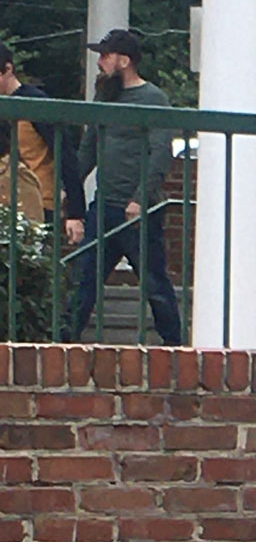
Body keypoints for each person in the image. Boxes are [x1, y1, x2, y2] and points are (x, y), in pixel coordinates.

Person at [66, 29, 182, 345]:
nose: (100, 62)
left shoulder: (153, 99)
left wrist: (140, 198)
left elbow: (160, 151)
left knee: (154, 284)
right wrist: (70, 190)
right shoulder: (104, 97)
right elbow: (89, 146)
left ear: (124, 61)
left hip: (137, 212)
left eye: (106, 56)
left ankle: (175, 347)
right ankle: (61, 343)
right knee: (84, 280)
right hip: (104, 206)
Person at [0, 43, 86, 242]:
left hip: (39, 202)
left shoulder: (36, 104)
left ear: (8, 70)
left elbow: (66, 154)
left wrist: (75, 212)